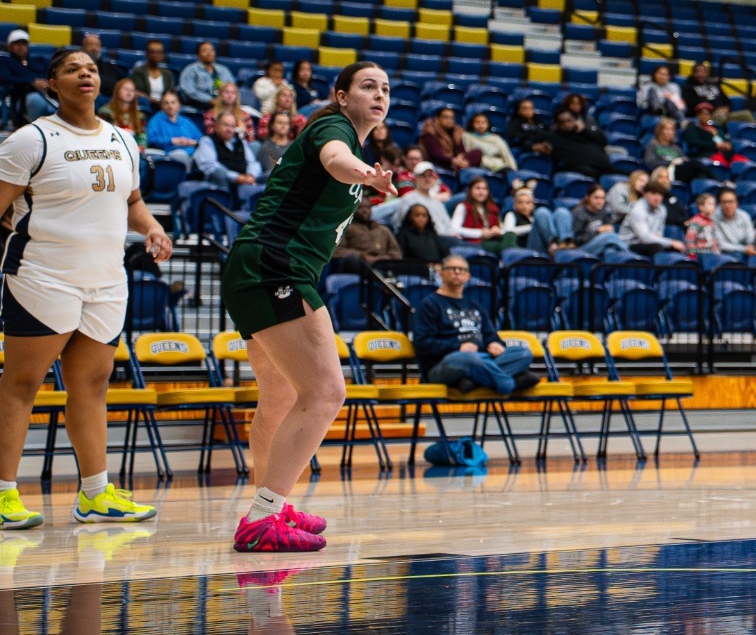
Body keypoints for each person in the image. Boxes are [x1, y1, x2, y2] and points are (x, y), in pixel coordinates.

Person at [219, 61, 398, 552]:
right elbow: (336, 160)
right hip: (276, 269)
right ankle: (262, 519)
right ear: (341, 96)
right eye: (368, 86)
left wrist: (365, 173)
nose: (379, 95)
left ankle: (270, 505)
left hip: (256, 267)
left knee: (279, 397)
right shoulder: (333, 129)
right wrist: (366, 174)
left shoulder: (349, 139)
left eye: (385, 89)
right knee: (325, 392)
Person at [0, 46, 172, 530]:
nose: (85, 74)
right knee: (21, 385)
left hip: (106, 280)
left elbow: (132, 202)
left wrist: (152, 227)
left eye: (91, 69)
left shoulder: (123, 139)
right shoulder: (31, 139)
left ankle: (96, 494)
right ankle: (3, 493)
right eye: (72, 69)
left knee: (92, 385)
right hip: (43, 276)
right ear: (52, 84)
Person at [413, 256, 537, 395]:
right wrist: (458, 347)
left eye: (462, 270)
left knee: (523, 353)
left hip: (481, 358)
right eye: (452, 269)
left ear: (468, 276)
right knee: (466, 358)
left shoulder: (475, 307)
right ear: (441, 273)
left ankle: (473, 381)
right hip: (445, 364)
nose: (457, 272)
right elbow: (422, 343)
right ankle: (509, 383)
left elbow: (490, 335)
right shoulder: (429, 305)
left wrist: (494, 343)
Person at [194, 109, 263, 194]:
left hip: (244, 181)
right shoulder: (207, 141)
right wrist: (237, 177)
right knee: (219, 173)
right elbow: (210, 166)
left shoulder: (240, 141)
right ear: (217, 125)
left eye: (232, 126)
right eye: (225, 125)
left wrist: (251, 175)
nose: (229, 129)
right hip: (219, 182)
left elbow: (253, 162)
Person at [331, 203, 399, 274]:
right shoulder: (345, 228)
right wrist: (362, 256)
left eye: (368, 208)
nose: (365, 211)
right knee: (351, 260)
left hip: (383, 266)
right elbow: (337, 251)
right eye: (360, 208)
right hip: (356, 267)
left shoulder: (383, 229)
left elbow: (396, 252)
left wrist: (384, 258)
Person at [144, 90, 204, 167]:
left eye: (173, 102)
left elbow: (201, 139)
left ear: (179, 104)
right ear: (162, 105)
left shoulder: (185, 121)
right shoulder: (156, 120)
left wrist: (191, 142)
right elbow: (150, 139)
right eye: (166, 103)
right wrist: (172, 140)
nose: (170, 106)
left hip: (192, 153)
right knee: (181, 155)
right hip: (168, 155)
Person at [622, 183, 681, 258]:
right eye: (653, 194)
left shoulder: (662, 209)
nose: (657, 198)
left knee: (676, 249)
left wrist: (668, 243)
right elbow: (644, 238)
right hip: (630, 245)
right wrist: (671, 242)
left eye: (660, 194)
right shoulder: (637, 209)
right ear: (645, 194)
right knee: (657, 248)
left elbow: (659, 233)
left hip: (649, 242)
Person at [0, 29, 46, 126]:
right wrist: (32, 81)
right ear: (10, 47)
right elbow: (5, 78)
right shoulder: (6, 61)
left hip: (47, 94)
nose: (20, 46)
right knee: (36, 99)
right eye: (16, 44)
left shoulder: (38, 60)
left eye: (23, 43)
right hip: (23, 96)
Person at [569, 186, 630, 258]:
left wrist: (609, 228)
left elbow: (608, 229)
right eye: (596, 198)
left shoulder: (603, 212)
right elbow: (576, 239)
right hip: (582, 248)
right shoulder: (579, 212)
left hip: (599, 246)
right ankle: (629, 253)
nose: (600, 201)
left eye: (602, 198)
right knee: (610, 236)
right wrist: (597, 231)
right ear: (587, 197)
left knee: (611, 250)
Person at [548, 110, 612, 176]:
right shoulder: (555, 137)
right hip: (582, 170)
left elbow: (603, 141)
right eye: (562, 122)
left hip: (603, 167)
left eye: (569, 121)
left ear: (575, 120)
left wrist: (584, 130)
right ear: (557, 124)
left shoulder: (583, 133)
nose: (566, 124)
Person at [448, 176, 503, 249]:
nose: (481, 192)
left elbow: (502, 228)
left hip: (493, 241)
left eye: (484, 189)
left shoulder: (493, 208)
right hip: (474, 244)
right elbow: (454, 229)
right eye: (477, 188)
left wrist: (497, 230)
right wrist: (479, 233)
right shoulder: (463, 207)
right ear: (470, 190)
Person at [419, 106, 479, 172]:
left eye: (452, 118)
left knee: (477, 152)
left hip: (455, 162)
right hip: (439, 163)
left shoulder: (456, 131)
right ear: (438, 119)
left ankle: (459, 168)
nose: (449, 121)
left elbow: (461, 151)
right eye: (446, 117)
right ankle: (459, 169)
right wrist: (453, 160)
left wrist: (460, 158)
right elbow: (436, 154)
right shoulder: (430, 132)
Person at [178, 39, 233, 109]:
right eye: (204, 50)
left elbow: (232, 87)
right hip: (199, 104)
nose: (209, 53)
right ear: (198, 55)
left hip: (222, 104)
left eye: (211, 50)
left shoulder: (223, 70)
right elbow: (189, 91)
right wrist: (209, 100)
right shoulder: (190, 70)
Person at [710, 188, 756, 259]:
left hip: (744, 250)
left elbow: (749, 239)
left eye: (731, 202)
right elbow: (720, 244)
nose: (727, 205)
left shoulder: (744, 215)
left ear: (737, 203)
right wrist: (744, 249)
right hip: (725, 253)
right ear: (719, 204)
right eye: (724, 202)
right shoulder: (713, 218)